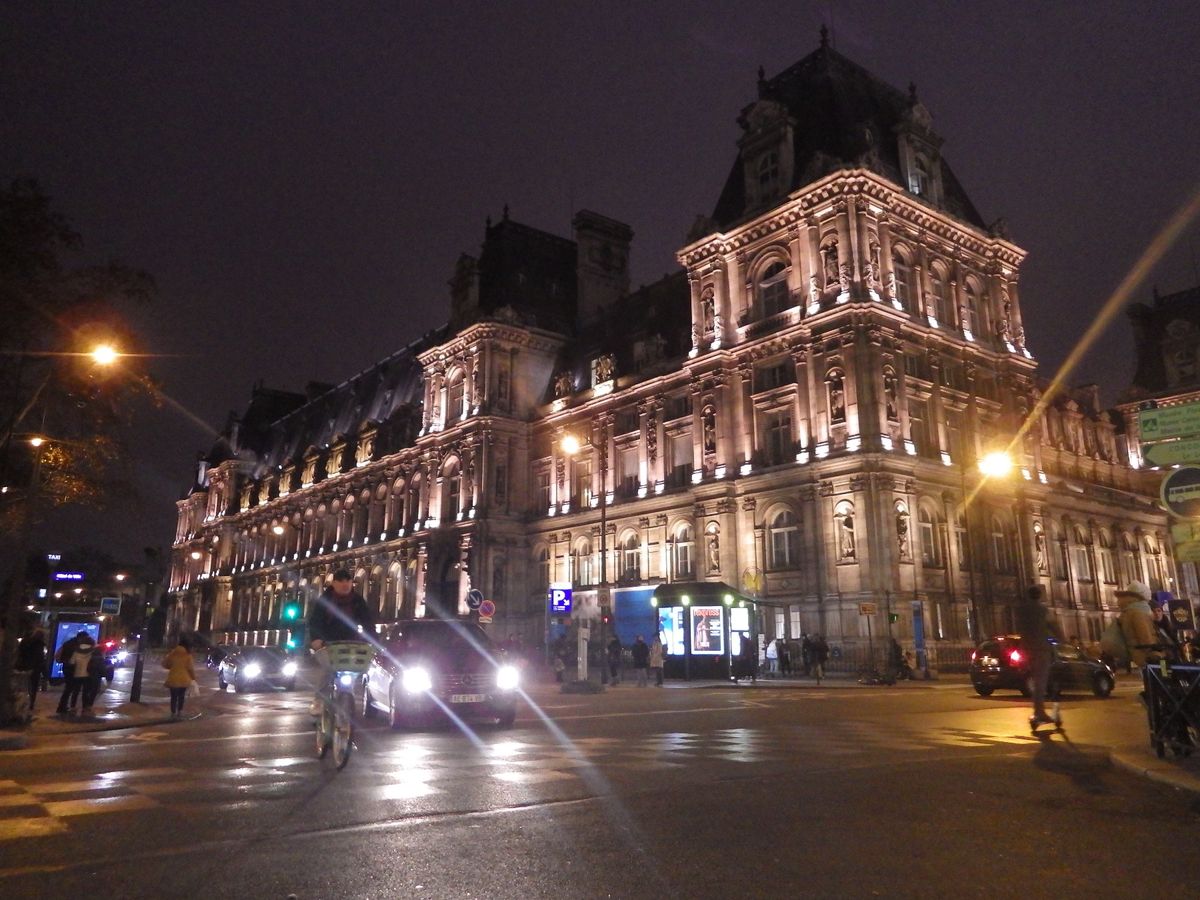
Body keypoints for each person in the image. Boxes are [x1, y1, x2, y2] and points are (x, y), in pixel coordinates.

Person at [309, 569, 376, 715]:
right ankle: (319, 701)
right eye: (341, 581)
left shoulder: (358, 601)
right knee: (328, 670)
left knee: (351, 671)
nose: (345, 584)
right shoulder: (325, 601)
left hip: (350, 644)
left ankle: (346, 702)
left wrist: (373, 641)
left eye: (348, 581)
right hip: (327, 644)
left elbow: (368, 623)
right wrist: (316, 639)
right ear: (334, 583)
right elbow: (315, 621)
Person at [1015, 584, 1064, 729]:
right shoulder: (1043, 610)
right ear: (1039, 596)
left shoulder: (1021, 610)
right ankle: (1039, 712)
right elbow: (1054, 626)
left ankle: (1038, 711)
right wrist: (1062, 639)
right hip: (1041, 649)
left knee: (1035, 680)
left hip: (1026, 649)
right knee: (1040, 681)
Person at [1116, 581, 1161, 668]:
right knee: (1164, 674)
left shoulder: (1127, 610)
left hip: (1136, 652)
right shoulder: (1138, 613)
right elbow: (1146, 638)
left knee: (1152, 678)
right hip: (1146, 655)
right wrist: (1159, 651)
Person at [55, 630, 91, 716]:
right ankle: (62, 707)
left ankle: (62, 706)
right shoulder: (76, 646)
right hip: (72, 668)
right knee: (70, 688)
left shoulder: (68, 643)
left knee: (69, 688)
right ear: (81, 638)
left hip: (67, 667)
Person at [162, 635, 196, 719]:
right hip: (184, 680)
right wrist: (193, 678)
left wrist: (172, 667)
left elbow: (165, 663)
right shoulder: (188, 655)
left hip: (173, 678)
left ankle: (173, 713)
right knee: (181, 696)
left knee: (173, 697)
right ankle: (179, 712)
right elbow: (190, 668)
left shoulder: (173, 653)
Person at [15, 628, 47, 716]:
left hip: (23, 667)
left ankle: (22, 703)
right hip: (35, 668)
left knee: (23, 686)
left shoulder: (25, 642)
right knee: (33, 687)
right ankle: (30, 704)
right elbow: (40, 658)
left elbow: (20, 653)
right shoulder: (39, 645)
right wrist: (44, 671)